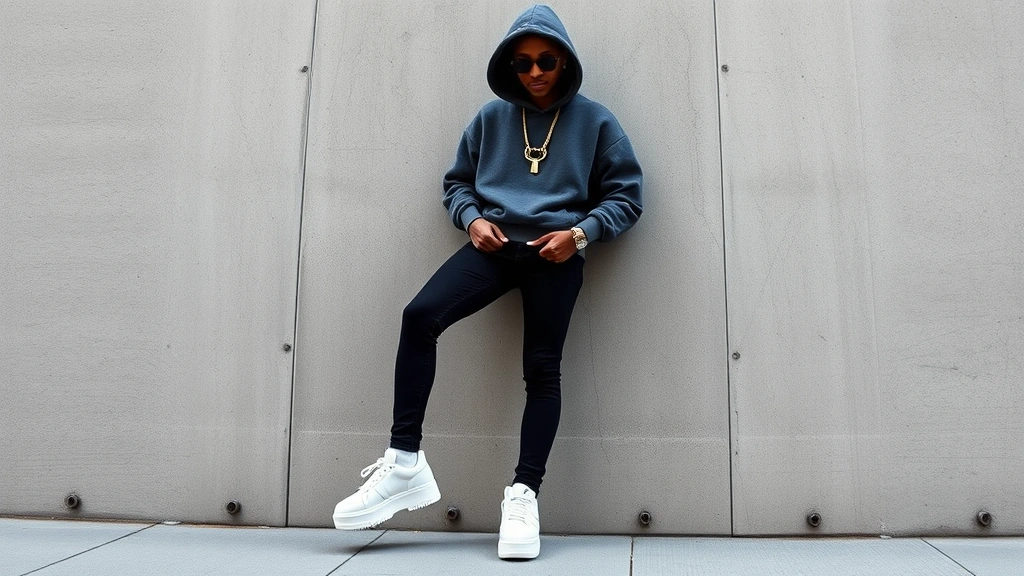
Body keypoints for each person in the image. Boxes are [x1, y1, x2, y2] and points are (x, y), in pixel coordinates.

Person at [332, 4, 642, 560]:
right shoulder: (490, 119)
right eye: (523, 64)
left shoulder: (597, 121)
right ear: (510, 67)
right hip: (494, 249)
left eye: (547, 60)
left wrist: (582, 234)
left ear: (566, 62)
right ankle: (405, 462)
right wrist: (471, 219)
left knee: (542, 369)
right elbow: (456, 184)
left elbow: (628, 196)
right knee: (418, 316)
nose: (536, 72)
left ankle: (524, 495)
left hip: (556, 253)